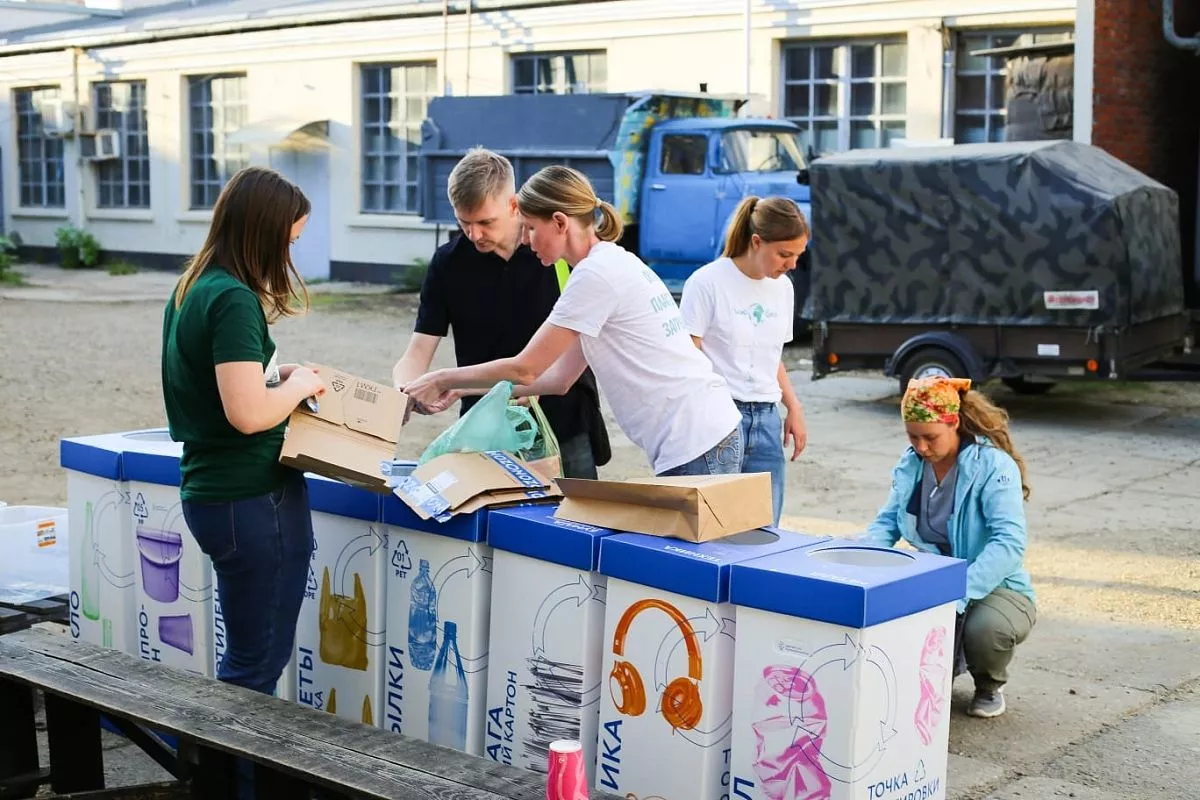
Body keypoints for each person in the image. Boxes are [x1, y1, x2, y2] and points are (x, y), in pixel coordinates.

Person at [401, 165, 744, 479]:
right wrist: (462, 389)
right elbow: (559, 379)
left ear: (560, 223)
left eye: (531, 228)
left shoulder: (594, 276)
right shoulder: (607, 263)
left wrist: (442, 378)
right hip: (704, 432)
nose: (525, 239)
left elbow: (526, 369)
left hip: (694, 438)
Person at [162, 166, 324, 706]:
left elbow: (220, 387)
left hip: (213, 493)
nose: (289, 256)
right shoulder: (233, 299)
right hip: (252, 498)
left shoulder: (192, 287)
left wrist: (276, 375)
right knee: (256, 666)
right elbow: (248, 415)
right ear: (263, 234)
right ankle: (223, 758)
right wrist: (297, 385)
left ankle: (215, 754)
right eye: (289, 242)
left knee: (249, 659)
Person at [392, 148, 610, 478]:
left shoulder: (557, 252)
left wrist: (527, 385)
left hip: (565, 423)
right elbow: (418, 351)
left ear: (513, 205)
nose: (474, 234)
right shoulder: (448, 264)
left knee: (575, 511)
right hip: (484, 429)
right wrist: (405, 391)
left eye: (485, 222)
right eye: (464, 222)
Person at [862, 376, 1037, 719]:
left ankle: (989, 684)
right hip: (935, 575)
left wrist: (958, 592)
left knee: (986, 631)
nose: (921, 447)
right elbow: (887, 523)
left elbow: (1009, 542)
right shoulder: (912, 463)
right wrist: (860, 564)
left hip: (995, 583)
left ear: (953, 422)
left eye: (930, 437)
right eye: (913, 436)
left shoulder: (993, 465)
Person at [680, 195, 810, 525]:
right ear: (756, 242)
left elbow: (771, 355)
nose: (792, 265)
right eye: (785, 254)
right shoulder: (706, 282)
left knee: (765, 531)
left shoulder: (783, 289)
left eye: (798, 255)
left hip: (766, 419)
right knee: (716, 527)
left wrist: (793, 406)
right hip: (720, 417)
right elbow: (686, 358)